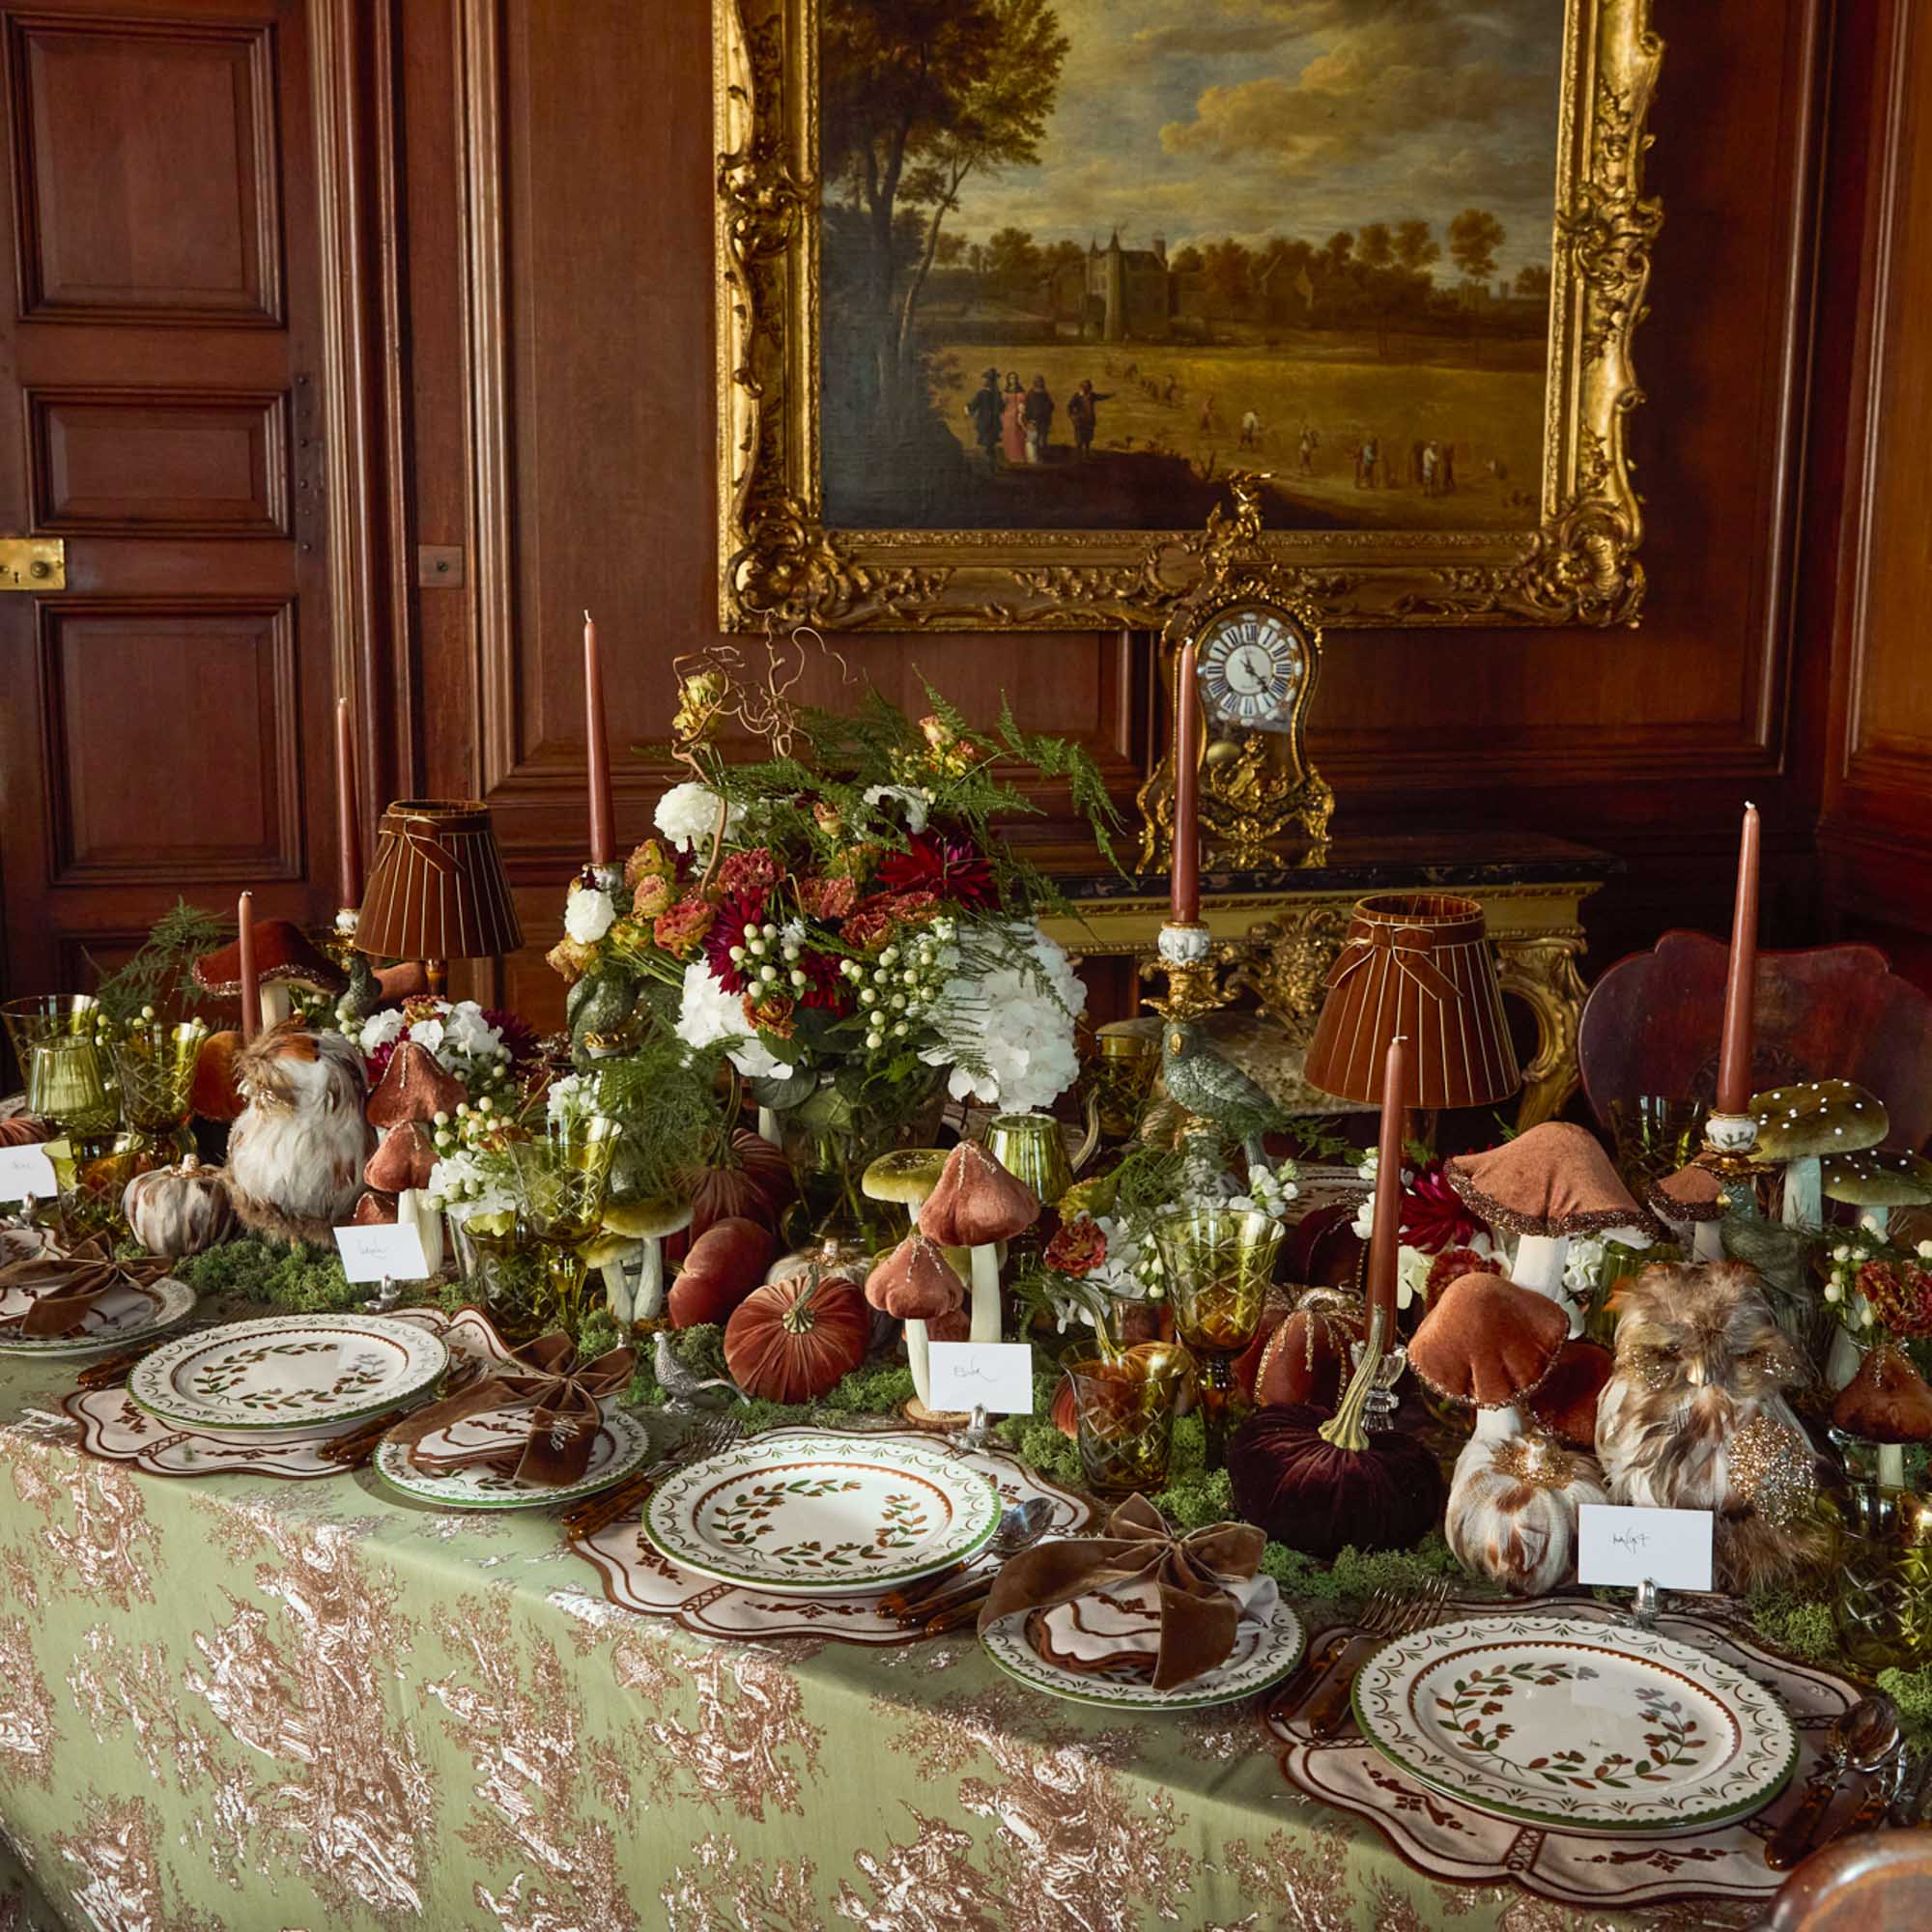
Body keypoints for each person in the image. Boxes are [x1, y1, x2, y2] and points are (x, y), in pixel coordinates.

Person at [965, 367, 1003, 469]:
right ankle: (990, 467)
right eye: (989, 379)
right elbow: (1002, 407)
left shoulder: (986, 393)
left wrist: (967, 408)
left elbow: (973, 406)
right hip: (990, 423)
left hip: (988, 423)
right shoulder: (994, 394)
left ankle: (990, 467)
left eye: (991, 379)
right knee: (989, 445)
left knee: (989, 445)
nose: (990, 381)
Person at [1066, 378, 1113, 459]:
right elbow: (1069, 406)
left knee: (1088, 438)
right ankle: (1079, 455)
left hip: (1089, 420)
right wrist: (1072, 416)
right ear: (1082, 387)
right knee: (1079, 439)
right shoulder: (1077, 396)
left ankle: (1087, 453)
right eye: (1086, 387)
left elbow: (1100, 397)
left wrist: (1110, 395)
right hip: (1080, 421)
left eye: (1089, 387)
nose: (1088, 389)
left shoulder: (1091, 395)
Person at [1022, 374, 1054, 463]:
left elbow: (1051, 406)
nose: (1040, 383)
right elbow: (1027, 407)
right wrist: (1029, 420)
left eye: (1041, 381)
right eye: (1038, 381)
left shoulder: (1045, 393)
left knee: (1042, 440)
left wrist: (1046, 410)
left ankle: (1041, 458)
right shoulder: (1031, 393)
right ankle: (1033, 459)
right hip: (1033, 421)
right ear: (1035, 383)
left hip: (1044, 421)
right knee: (1032, 440)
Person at [1000, 372, 1027, 467]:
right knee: (1007, 435)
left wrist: (1020, 413)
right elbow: (1002, 403)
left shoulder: (1020, 390)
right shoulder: (1006, 390)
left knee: (1017, 435)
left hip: (1016, 415)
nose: (1013, 380)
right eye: (1011, 378)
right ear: (1008, 379)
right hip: (1006, 416)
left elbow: (1022, 403)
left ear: (1017, 379)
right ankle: (1009, 456)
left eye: (1014, 378)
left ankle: (1018, 457)